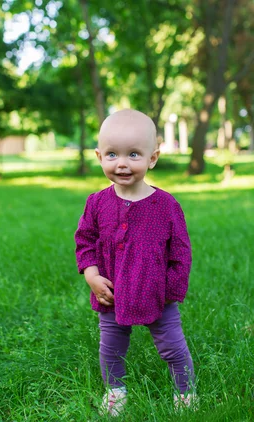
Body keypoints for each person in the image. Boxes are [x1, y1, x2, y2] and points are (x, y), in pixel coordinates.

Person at [74, 109, 196, 416]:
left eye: (134, 154)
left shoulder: (166, 206)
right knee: (111, 347)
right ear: (99, 156)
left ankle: (186, 394)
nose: (122, 163)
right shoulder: (97, 203)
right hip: (111, 292)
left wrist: (170, 290)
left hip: (157, 292)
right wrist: (91, 275)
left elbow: (181, 252)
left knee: (172, 347)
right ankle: (116, 391)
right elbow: (85, 240)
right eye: (113, 154)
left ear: (152, 158)